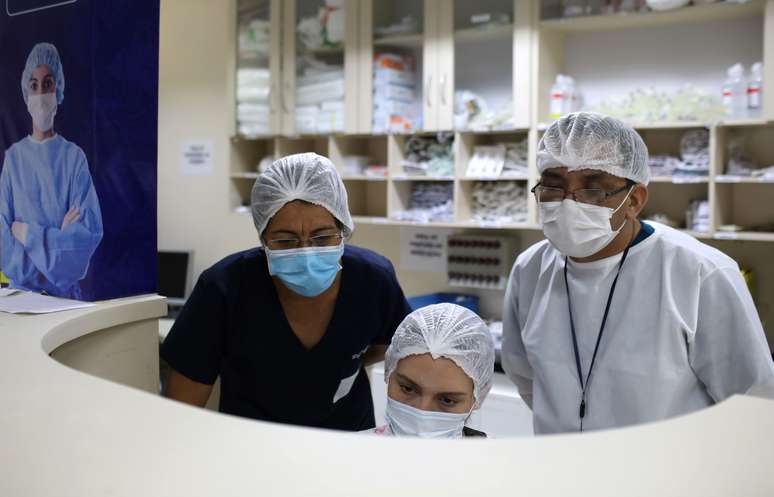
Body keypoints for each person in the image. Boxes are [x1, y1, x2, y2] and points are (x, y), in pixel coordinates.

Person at [502, 112, 774, 435]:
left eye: (593, 190)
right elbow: (526, 377)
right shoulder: (529, 270)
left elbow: (753, 402)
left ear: (634, 200)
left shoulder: (701, 274)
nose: (568, 204)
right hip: (564, 473)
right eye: (553, 187)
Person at [161, 153, 411, 431]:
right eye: (285, 240)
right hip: (252, 442)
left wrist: (333, 366)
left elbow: (393, 346)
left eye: (323, 236)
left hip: (347, 439)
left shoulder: (373, 279)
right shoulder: (223, 288)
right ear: (263, 238)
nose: (305, 251)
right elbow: (180, 411)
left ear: (343, 228)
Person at [0, 42, 103, 300]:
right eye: (34, 85)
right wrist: (58, 239)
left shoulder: (73, 158)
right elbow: (2, 237)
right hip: (20, 300)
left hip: (64, 301)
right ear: (26, 92)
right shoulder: (13, 159)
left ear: (58, 90)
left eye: (48, 84)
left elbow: (84, 239)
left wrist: (27, 234)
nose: (41, 93)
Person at [369, 303, 495, 438]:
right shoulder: (351, 454)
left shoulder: (497, 458)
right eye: (407, 389)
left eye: (447, 400)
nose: (421, 411)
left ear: (475, 399)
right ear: (389, 374)